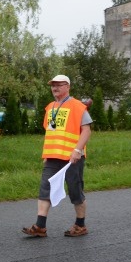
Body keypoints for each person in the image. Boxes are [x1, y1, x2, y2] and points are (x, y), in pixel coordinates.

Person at [22, 74, 92, 238]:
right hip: (52, 157)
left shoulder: (78, 106)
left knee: (75, 191)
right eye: (53, 85)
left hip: (72, 158)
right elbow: (51, 132)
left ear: (67, 86)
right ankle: (40, 226)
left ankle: (80, 225)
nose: (55, 88)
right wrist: (46, 154)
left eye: (59, 85)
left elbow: (87, 130)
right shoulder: (50, 107)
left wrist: (77, 150)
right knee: (45, 188)